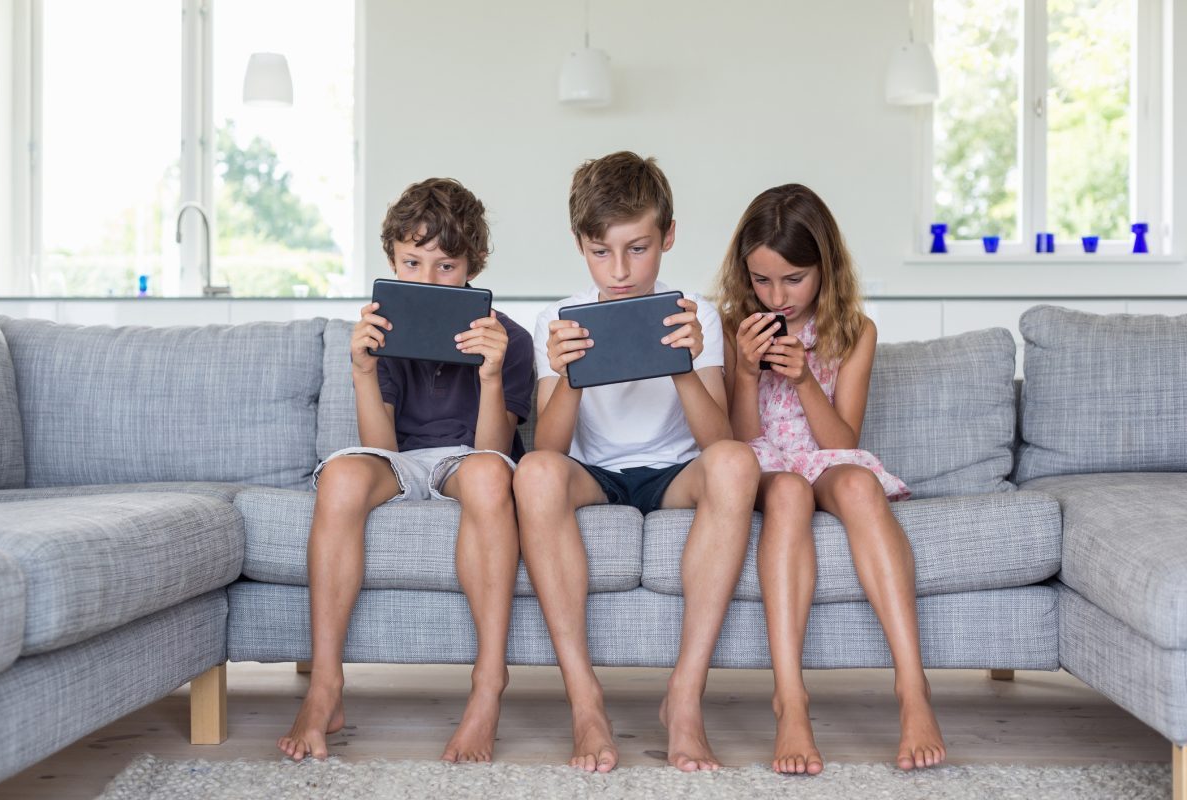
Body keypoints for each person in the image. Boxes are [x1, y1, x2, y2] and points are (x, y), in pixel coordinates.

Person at [514, 151, 761, 774]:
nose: (620, 271)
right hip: (594, 474)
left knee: (735, 464)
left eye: (638, 248)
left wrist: (680, 364)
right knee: (534, 472)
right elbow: (549, 451)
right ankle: (585, 702)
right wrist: (567, 375)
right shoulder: (558, 318)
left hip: (674, 472)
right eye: (601, 252)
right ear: (580, 245)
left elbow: (719, 441)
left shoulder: (695, 313)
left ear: (668, 237)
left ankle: (684, 698)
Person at [278, 178, 535, 764]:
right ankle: (325, 686)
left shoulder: (511, 340)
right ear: (392, 260)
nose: (425, 281)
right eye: (411, 263)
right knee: (341, 477)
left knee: (492, 477)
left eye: (445, 267)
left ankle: (487, 687)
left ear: (474, 265)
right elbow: (380, 447)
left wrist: (491, 374)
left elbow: (491, 451)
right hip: (405, 459)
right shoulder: (386, 334)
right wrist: (364, 372)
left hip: (469, 458)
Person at [715, 183, 945, 774]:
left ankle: (913, 689)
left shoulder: (854, 331)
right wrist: (745, 371)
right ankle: (791, 700)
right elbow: (739, 441)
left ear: (825, 268)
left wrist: (803, 380)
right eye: (762, 280)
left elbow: (843, 443)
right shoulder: (733, 324)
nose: (777, 296)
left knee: (859, 485)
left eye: (793, 279)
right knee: (787, 492)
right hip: (767, 463)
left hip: (823, 456)